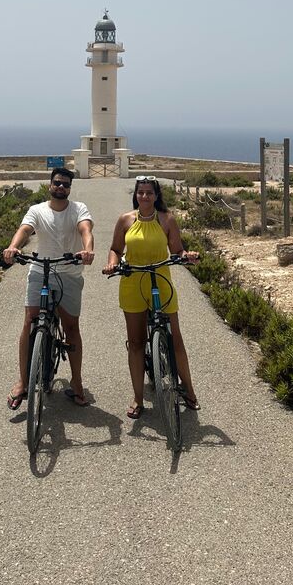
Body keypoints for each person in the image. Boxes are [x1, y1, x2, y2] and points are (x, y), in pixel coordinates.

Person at [102, 176, 199, 419]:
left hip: (161, 281)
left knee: (175, 339)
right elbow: (115, 249)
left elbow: (177, 250)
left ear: (156, 196)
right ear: (135, 195)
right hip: (132, 282)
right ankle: (137, 397)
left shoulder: (167, 220)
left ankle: (189, 390)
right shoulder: (125, 220)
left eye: (149, 193)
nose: (144, 196)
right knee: (135, 342)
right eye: (141, 192)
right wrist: (112, 264)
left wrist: (187, 256)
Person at [3, 167, 94, 409]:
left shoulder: (78, 208)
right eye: (57, 183)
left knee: (71, 327)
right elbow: (25, 230)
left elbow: (86, 229)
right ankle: (23, 381)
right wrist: (13, 247)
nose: (61, 187)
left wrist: (87, 250)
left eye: (65, 184)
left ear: (70, 188)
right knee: (29, 321)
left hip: (69, 273)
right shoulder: (37, 210)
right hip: (40, 271)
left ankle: (76, 382)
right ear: (49, 185)